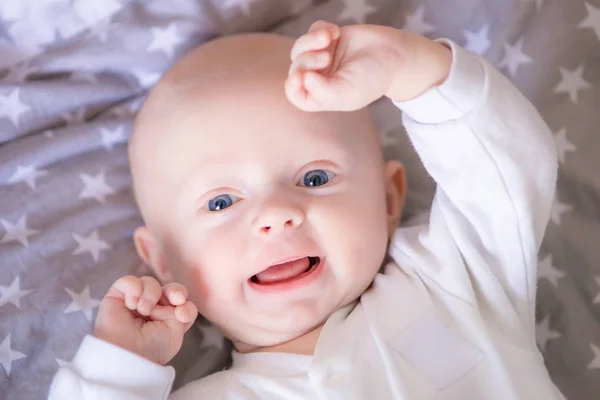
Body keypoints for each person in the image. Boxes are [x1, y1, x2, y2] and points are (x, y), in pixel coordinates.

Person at [49, 20, 564, 399]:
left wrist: (410, 67)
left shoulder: (455, 279)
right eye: (222, 201)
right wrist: (118, 369)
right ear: (161, 258)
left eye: (315, 178)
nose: (275, 214)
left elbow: (507, 167)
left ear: (388, 200)